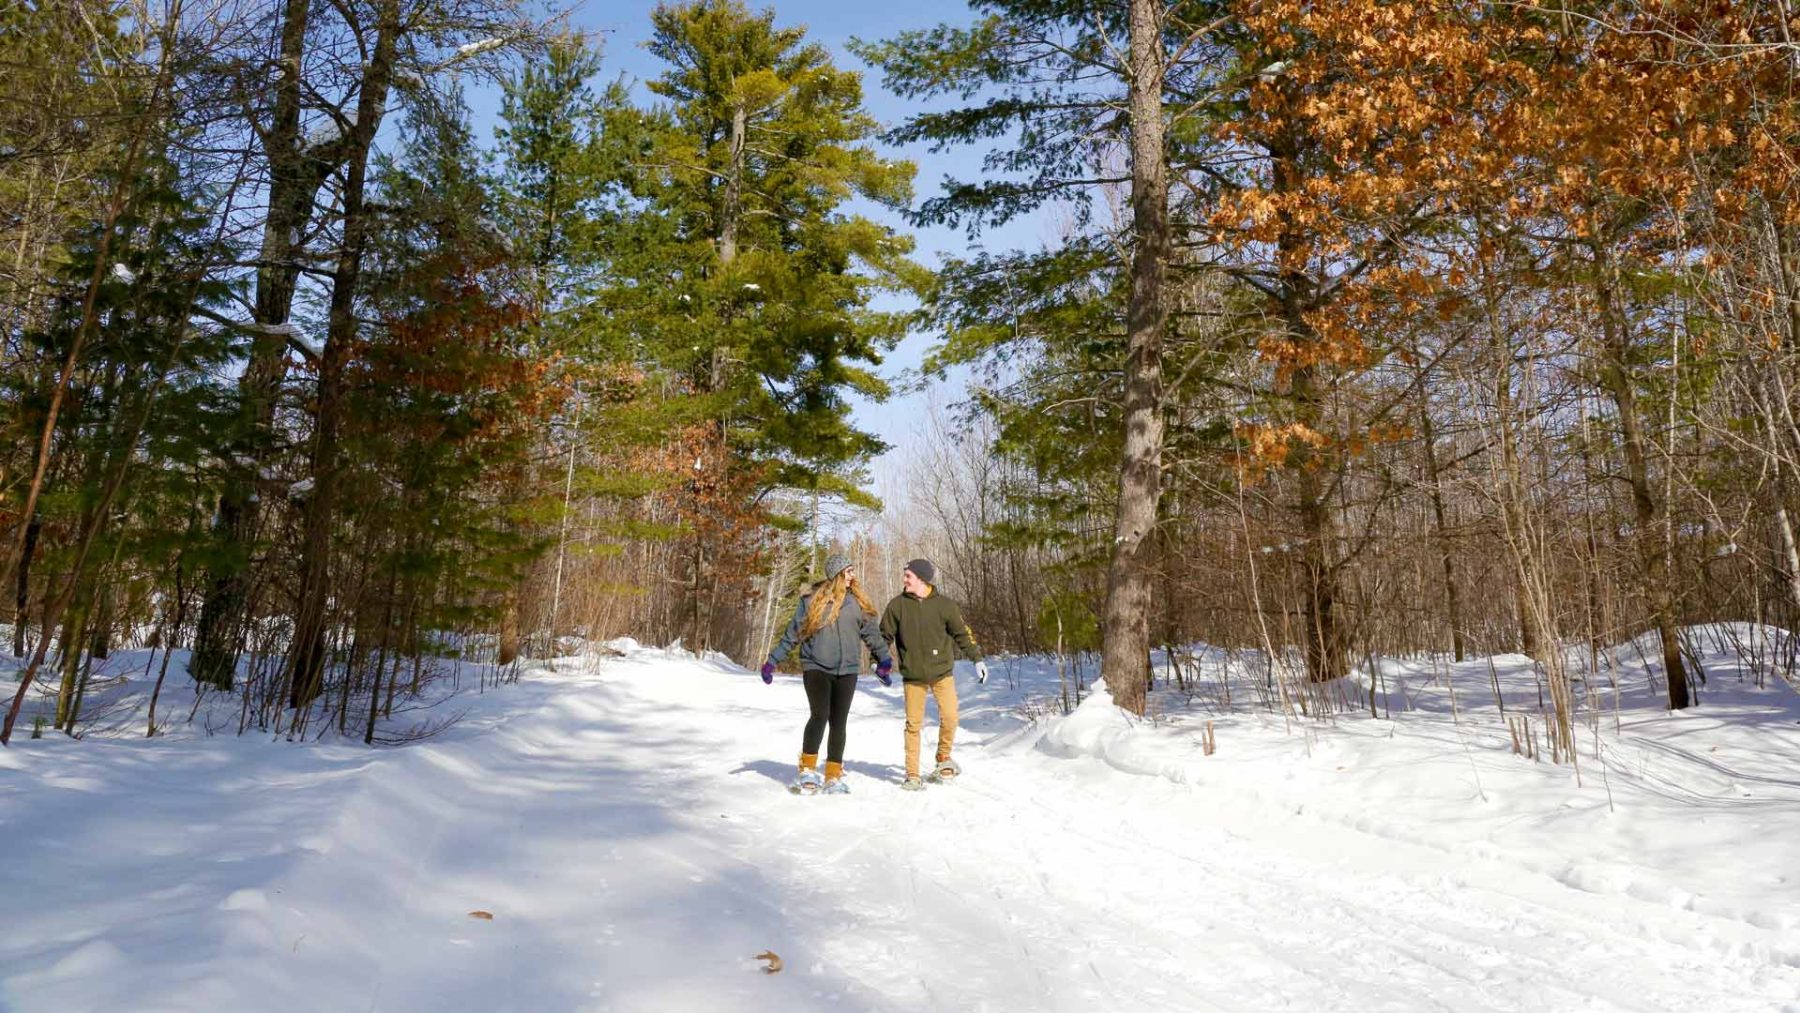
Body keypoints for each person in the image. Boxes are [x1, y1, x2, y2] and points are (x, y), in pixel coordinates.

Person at [761, 553, 893, 795]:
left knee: (839, 721)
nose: (853, 576)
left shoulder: (857, 603)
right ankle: (807, 769)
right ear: (837, 574)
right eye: (849, 571)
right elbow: (794, 633)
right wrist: (773, 661)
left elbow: (872, 635)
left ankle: (833, 774)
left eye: (853, 570)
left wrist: (884, 659)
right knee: (820, 714)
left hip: (848, 669)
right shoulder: (811, 601)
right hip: (816, 666)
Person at [880, 558, 987, 791]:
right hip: (913, 676)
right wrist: (879, 662)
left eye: (908, 576)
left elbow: (962, 634)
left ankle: (943, 758)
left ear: (921, 579)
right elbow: (883, 638)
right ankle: (912, 774)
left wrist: (977, 658)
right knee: (913, 725)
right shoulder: (897, 606)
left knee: (950, 716)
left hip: (941, 673)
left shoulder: (945, 605)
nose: (904, 579)